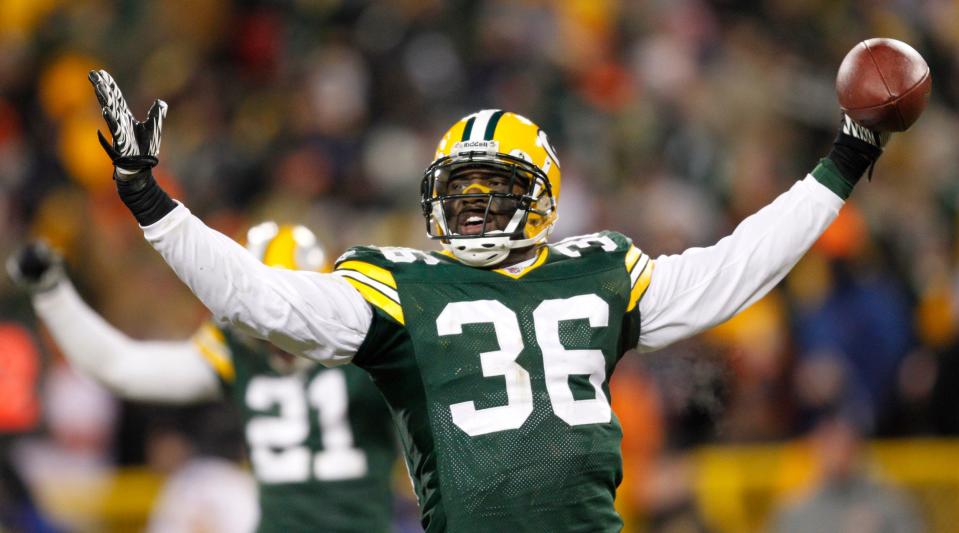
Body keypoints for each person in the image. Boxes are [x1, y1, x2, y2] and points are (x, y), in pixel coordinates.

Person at [86, 68, 901, 532]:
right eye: (461, 190)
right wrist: (150, 200)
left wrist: (845, 153)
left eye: (492, 188)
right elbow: (258, 298)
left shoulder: (601, 267)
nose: (472, 206)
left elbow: (738, 267)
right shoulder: (396, 285)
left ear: (541, 198)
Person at [6, 222, 398, 533]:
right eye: (263, 308)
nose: (275, 323)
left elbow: (120, 367)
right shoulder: (242, 349)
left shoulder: (367, 345)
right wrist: (52, 293)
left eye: (288, 306)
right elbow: (122, 369)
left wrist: (52, 294)